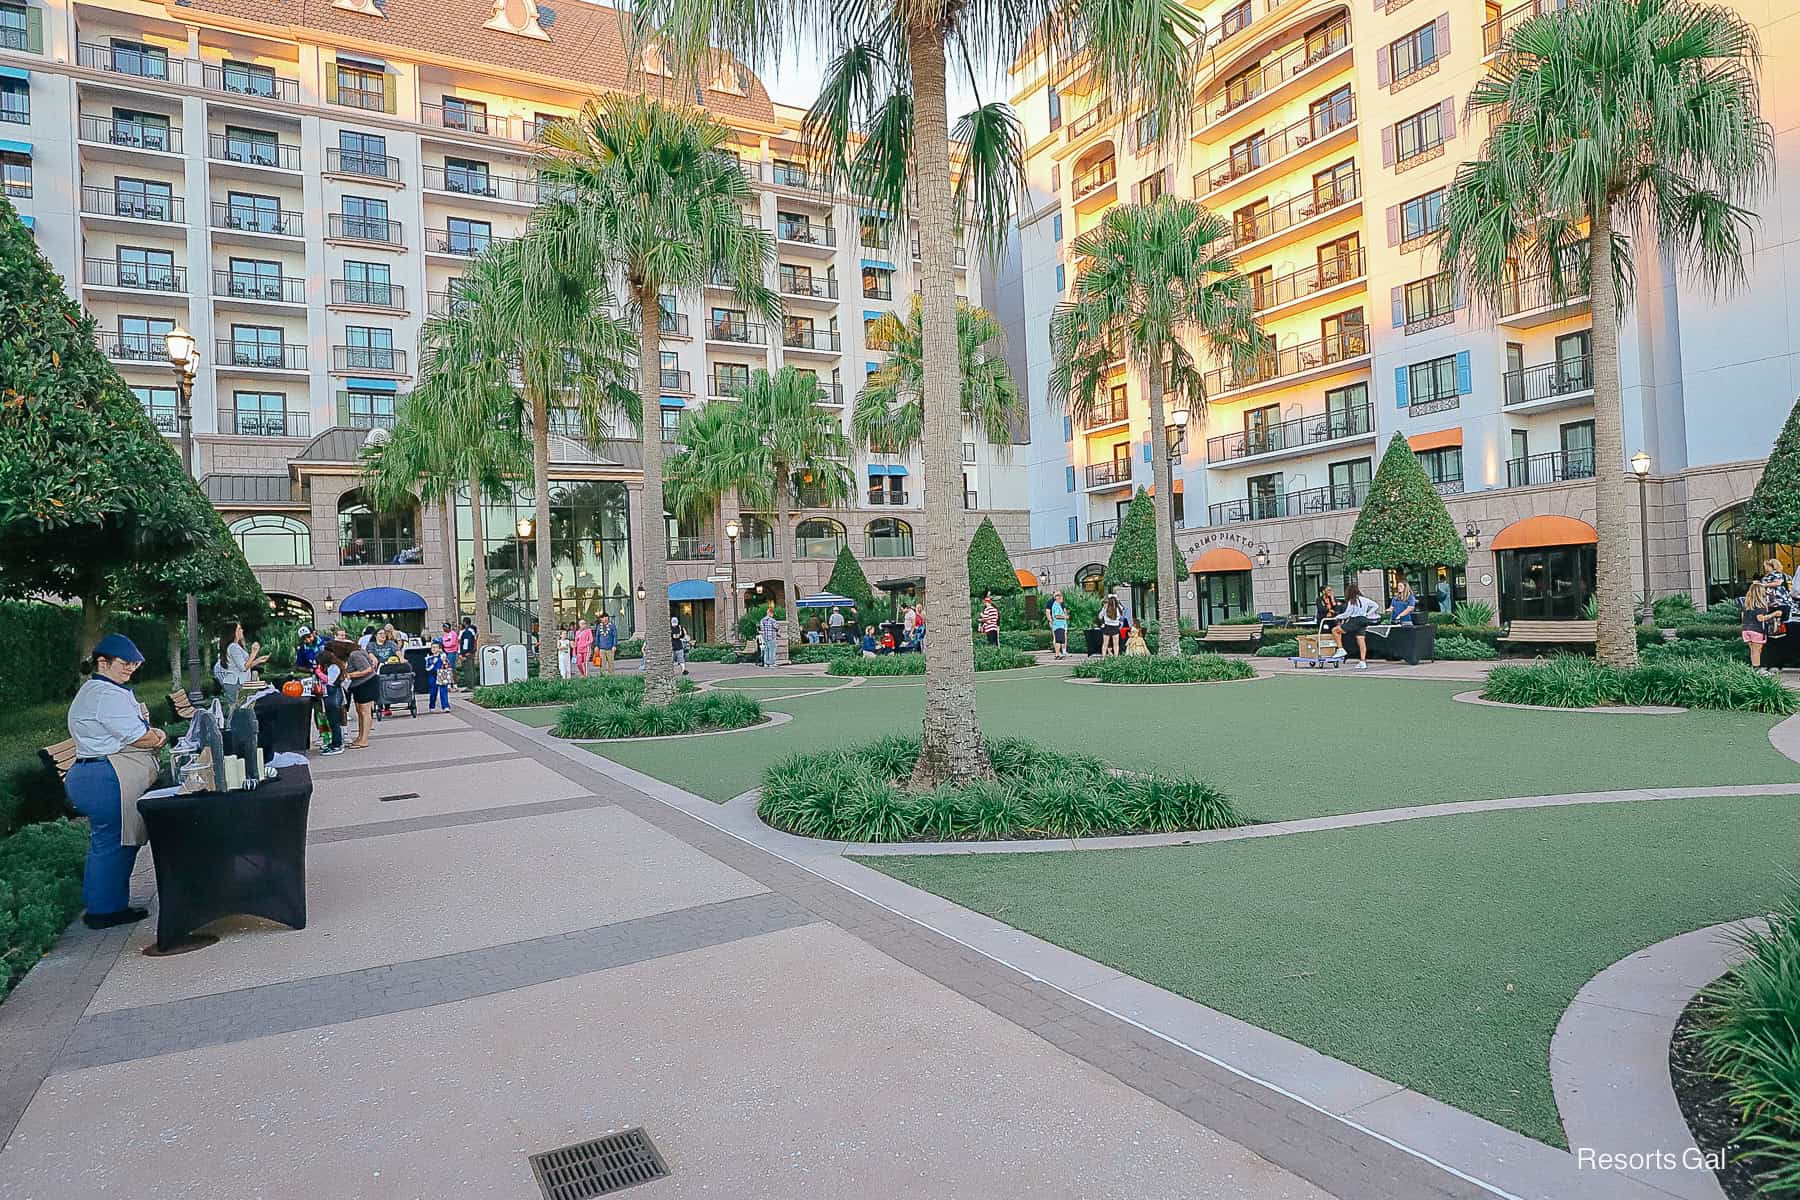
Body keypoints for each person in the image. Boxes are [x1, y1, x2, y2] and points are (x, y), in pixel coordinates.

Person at [64, 634, 166, 929]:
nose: (130, 668)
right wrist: (157, 736)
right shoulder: (105, 694)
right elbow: (140, 736)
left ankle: (102, 903)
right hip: (105, 777)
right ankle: (104, 911)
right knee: (115, 843)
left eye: (134, 663)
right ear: (102, 662)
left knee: (110, 842)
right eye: (125, 663)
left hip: (96, 774)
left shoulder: (102, 690)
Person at [212, 621, 267, 704]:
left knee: (241, 710)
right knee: (241, 710)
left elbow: (244, 666)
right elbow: (243, 668)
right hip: (235, 684)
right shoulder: (233, 647)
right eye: (239, 629)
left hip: (237, 683)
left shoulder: (236, 646)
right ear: (233, 632)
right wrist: (254, 653)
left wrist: (258, 660)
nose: (242, 630)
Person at [342, 638, 379, 747]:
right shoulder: (356, 653)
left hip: (366, 683)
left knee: (365, 711)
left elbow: (368, 669)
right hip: (358, 685)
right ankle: (360, 736)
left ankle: (364, 739)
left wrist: (350, 675)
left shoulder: (355, 654)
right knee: (360, 710)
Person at [313, 646, 347, 755]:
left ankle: (337, 744)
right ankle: (334, 742)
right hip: (329, 695)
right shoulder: (331, 666)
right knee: (331, 721)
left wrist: (318, 672)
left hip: (333, 695)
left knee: (334, 721)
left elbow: (330, 681)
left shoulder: (334, 667)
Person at [1340, 582, 1381, 669]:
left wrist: (1337, 617)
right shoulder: (1364, 599)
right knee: (1361, 640)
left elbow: (1347, 614)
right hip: (1363, 620)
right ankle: (1362, 661)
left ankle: (1341, 649)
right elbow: (1376, 605)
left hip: (1355, 620)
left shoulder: (1352, 601)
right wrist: (1367, 614)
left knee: (1335, 631)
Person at [1743, 580, 1781, 671]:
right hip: (1757, 630)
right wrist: (1774, 614)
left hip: (1746, 630)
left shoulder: (1747, 605)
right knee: (1757, 651)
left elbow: (1742, 617)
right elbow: (1760, 618)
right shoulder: (1761, 606)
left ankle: (1754, 669)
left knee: (1753, 651)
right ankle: (1757, 670)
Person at [1316, 586, 1347, 657]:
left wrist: (1333, 600)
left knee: (1337, 631)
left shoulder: (1332, 598)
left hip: (1332, 619)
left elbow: (1338, 608)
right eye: (1328, 590)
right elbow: (1321, 609)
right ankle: (1326, 652)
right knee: (1326, 634)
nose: (1330, 592)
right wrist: (1329, 610)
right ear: (1323, 591)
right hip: (1324, 620)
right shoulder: (1319, 599)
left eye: (1331, 590)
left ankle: (1338, 649)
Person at [424, 641, 454, 710]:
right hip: (433, 676)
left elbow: (447, 666)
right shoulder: (429, 658)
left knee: (443, 691)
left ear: (439, 649)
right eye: (432, 647)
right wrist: (433, 663)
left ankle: (446, 706)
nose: (433, 649)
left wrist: (444, 661)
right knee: (433, 692)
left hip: (442, 674)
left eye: (435, 647)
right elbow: (427, 669)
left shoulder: (443, 656)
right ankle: (432, 705)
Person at [1047, 590, 1070, 660]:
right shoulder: (1056, 605)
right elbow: (1056, 616)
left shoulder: (1059, 605)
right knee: (1058, 640)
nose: (1062, 599)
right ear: (1058, 598)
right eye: (1061, 597)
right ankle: (1057, 654)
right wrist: (1065, 617)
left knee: (1060, 640)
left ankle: (1060, 653)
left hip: (1061, 625)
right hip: (1058, 625)